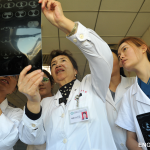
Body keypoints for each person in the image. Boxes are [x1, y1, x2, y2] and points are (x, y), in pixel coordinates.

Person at [18, 0, 117, 149]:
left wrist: (63, 22)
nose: (58, 64)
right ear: (53, 75)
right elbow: (32, 139)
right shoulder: (45, 103)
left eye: (63, 60)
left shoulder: (92, 85)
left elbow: (104, 57)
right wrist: (32, 101)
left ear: (76, 70)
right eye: (53, 64)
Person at [115, 37, 150, 150]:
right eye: (119, 55)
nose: (121, 56)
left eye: (125, 49)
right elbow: (130, 140)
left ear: (143, 48)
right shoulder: (129, 96)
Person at [106, 49, 135, 150]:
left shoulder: (134, 83)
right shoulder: (95, 91)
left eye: (109, 58)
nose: (105, 61)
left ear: (120, 63)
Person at [26, 69, 54, 150]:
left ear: (52, 84)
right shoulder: (28, 107)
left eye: (44, 80)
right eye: (37, 81)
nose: (41, 83)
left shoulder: (61, 104)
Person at [0, 75, 23, 150]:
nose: (7, 76)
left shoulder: (17, 113)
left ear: (13, 89)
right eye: (4, 71)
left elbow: (6, 143)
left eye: (14, 76)